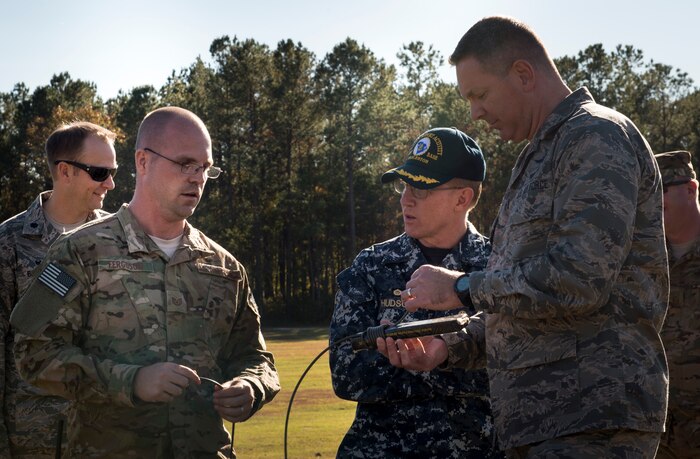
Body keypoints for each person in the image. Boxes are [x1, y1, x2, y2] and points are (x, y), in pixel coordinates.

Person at [384, 16, 669, 458]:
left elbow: (579, 278)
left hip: (590, 420)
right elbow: (520, 305)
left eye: (480, 95)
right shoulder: (541, 154)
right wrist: (447, 348)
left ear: (523, 74)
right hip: (543, 425)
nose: (475, 112)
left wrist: (460, 287)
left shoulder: (594, 138)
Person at [9, 107, 280, 458]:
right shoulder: (77, 252)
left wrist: (250, 387)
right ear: (143, 162)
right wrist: (131, 381)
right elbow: (32, 353)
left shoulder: (224, 268)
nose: (197, 177)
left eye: (205, 168)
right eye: (185, 164)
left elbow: (257, 358)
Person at [329, 127, 502, 458]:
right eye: (404, 185)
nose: (405, 198)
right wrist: (451, 367)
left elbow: (515, 366)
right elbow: (345, 374)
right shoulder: (372, 265)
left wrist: (435, 357)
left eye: (420, 188)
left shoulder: (497, 272)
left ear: (462, 198)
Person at [0, 121, 117, 458]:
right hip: (33, 440)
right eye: (99, 172)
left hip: (107, 438)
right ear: (65, 171)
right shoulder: (10, 242)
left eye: (112, 171)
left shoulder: (118, 241)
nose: (110, 182)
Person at [654, 150, 700, 459]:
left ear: (691, 189)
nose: (657, 203)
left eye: (664, 191)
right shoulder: (648, 260)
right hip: (661, 435)